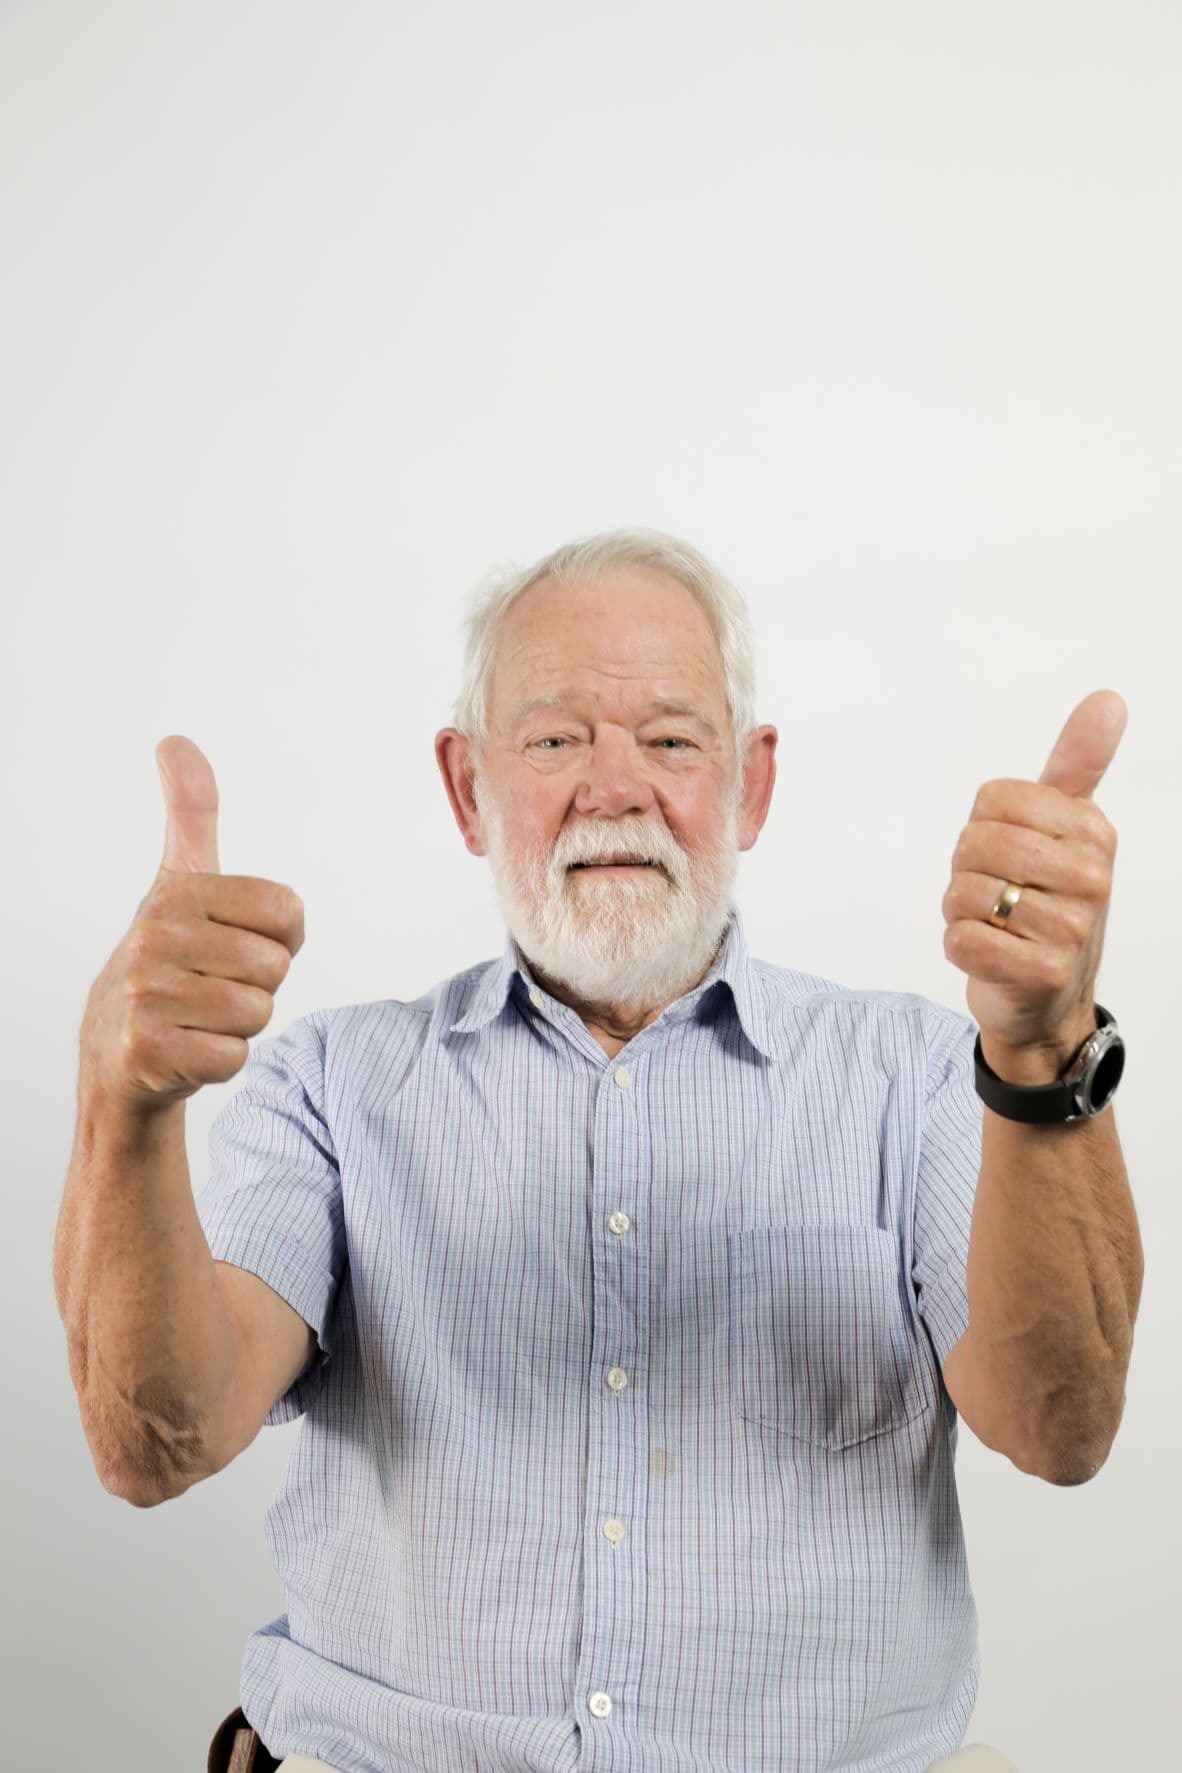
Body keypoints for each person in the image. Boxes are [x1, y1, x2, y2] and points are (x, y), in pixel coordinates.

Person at [56, 527, 1022, 1773]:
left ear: (751, 784)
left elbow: (1059, 1425)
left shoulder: (926, 1076)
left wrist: (1046, 1062)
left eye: (672, 739)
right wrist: (122, 1109)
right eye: (558, 738)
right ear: (469, 788)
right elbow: (157, 1444)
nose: (615, 787)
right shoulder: (332, 1083)